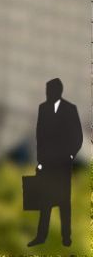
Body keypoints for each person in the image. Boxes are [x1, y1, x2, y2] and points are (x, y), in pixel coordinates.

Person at [32, 77, 82, 248]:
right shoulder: (43, 108)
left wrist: (69, 156)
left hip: (62, 164)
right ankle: (41, 236)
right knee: (45, 202)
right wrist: (40, 160)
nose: (48, 94)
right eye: (47, 90)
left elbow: (78, 137)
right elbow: (40, 137)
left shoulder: (70, 109)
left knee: (63, 202)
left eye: (51, 90)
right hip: (47, 163)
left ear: (58, 91)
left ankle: (66, 238)